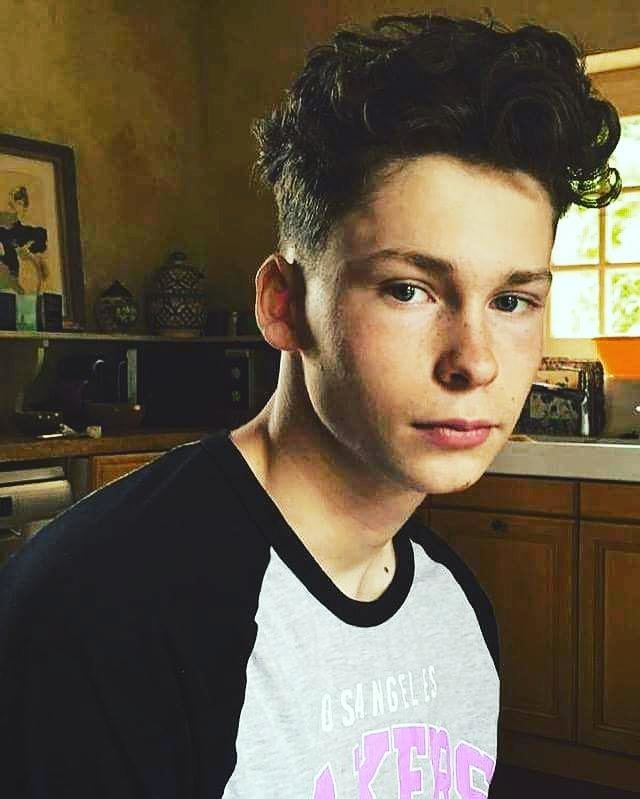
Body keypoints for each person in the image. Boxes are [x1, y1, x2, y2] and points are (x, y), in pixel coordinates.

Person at [0, 11, 621, 799]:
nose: (476, 360)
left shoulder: (456, 606)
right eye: (409, 289)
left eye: (511, 300)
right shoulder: (100, 615)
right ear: (283, 304)